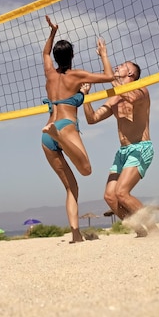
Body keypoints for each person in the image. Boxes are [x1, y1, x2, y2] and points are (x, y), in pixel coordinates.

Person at [41, 16, 115, 243]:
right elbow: (110, 76)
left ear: (55, 57)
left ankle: (75, 233)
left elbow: (44, 54)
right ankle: (61, 138)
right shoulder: (77, 75)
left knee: (71, 187)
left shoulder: (50, 73)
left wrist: (52, 32)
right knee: (86, 171)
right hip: (64, 127)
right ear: (71, 56)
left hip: (46, 135)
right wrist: (103, 54)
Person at [81, 60, 155, 237]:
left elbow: (129, 97)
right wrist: (85, 97)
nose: (117, 67)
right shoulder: (114, 97)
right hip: (122, 152)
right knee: (110, 196)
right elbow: (92, 119)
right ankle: (139, 231)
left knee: (122, 192)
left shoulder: (141, 90)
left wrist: (109, 75)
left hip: (140, 147)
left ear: (131, 74)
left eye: (122, 66)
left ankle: (154, 231)